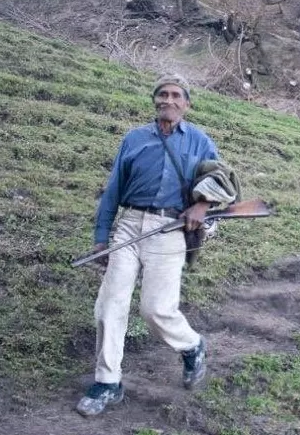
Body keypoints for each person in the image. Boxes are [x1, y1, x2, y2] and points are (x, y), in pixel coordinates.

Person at [76, 74, 219, 417]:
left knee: (155, 308)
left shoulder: (199, 141)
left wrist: (202, 205)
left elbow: (221, 179)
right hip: (128, 226)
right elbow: (113, 190)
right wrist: (100, 238)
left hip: (170, 229)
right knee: (110, 304)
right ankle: (108, 382)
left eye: (176, 95)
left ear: (186, 104)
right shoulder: (135, 138)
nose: (168, 100)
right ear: (155, 101)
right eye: (162, 94)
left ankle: (191, 346)